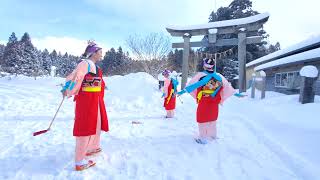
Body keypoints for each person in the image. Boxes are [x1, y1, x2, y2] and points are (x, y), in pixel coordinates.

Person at [61, 41, 109, 171]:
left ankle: (91, 148)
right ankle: (79, 161)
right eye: (100, 52)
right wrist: (67, 89)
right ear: (93, 52)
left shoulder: (95, 67)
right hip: (87, 101)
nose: (101, 55)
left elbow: (98, 82)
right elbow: (75, 77)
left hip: (95, 100)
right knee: (85, 127)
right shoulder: (85, 63)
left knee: (96, 124)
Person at [177, 58, 244, 144]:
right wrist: (236, 94)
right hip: (214, 101)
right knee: (212, 119)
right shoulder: (219, 76)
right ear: (213, 66)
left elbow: (194, 85)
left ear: (204, 65)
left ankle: (203, 138)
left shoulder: (201, 75)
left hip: (204, 100)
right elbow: (227, 87)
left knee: (202, 119)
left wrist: (183, 91)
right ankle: (213, 136)